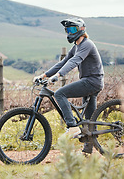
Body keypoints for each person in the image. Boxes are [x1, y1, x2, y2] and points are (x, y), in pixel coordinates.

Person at [34, 17, 104, 154]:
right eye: (68, 30)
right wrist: (44, 75)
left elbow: (75, 61)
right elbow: (63, 62)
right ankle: (87, 151)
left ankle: (72, 126)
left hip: (92, 81)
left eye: (73, 29)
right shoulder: (76, 47)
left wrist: (58, 76)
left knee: (60, 93)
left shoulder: (87, 44)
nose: (70, 32)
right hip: (90, 82)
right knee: (89, 121)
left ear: (82, 30)